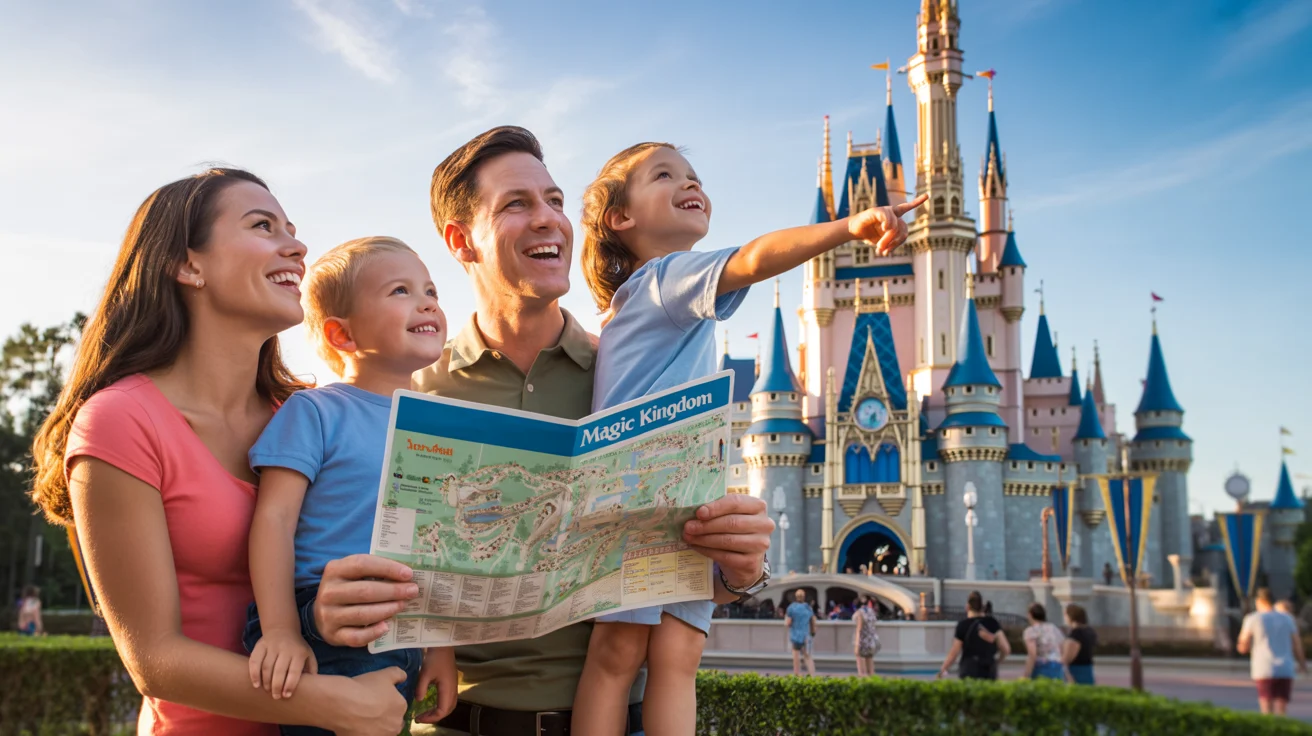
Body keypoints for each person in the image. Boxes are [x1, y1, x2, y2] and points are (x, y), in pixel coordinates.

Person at [366, 126, 768, 735]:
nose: (548, 219)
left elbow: (677, 566)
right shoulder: (415, 394)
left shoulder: (634, 382)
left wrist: (742, 571)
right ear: (460, 240)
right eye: (516, 204)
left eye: (554, 201)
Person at [29, 169, 408, 736]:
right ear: (188, 265)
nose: (298, 246)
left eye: (293, 230)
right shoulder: (120, 421)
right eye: (263, 226)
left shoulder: (309, 415)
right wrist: (330, 703)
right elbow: (154, 660)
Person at [569, 140, 922, 736]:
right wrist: (845, 228)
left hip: (681, 497)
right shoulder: (664, 278)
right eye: (665, 175)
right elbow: (755, 258)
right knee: (646, 660)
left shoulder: (640, 305)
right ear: (620, 219)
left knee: (635, 659)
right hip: (653, 496)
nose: (690, 183)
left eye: (694, 175)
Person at [242, 237, 458, 731]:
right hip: (325, 620)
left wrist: (440, 649)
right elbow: (273, 519)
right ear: (342, 335)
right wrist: (279, 630)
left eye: (430, 290)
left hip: (405, 622)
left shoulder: (440, 425)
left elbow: (444, 545)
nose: (427, 302)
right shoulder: (315, 410)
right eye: (400, 291)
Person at [1239, 588, 1308, 715]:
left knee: (1266, 709)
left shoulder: (1253, 619)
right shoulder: (1288, 618)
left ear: (1259, 601)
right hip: (1285, 667)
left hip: (1264, 668)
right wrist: (1302, 664)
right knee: (1282, 709)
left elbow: (1243, 646)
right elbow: (1297, 644)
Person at [937, 591, 1008, 680]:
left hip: (969, 669)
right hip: (989, 668)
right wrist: (998, 661)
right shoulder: (992, 623)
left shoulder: (963, 625)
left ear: (967, 607)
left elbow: (954, 652)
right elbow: (1006, 648)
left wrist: (943, 670)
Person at [1022, 603, 1065, 681]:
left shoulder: (1031, 631)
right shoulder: (1053, 628)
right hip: (1057, 665)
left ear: (1030, 615)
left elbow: (1032, 654)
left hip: (1041, 666)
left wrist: (1026, 674)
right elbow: (1062, 647)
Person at [1061, 604, 1097, 685]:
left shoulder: (1075, 634)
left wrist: (1069, 678)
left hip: (1076, 671)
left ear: (1070, 616)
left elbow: (1065, 660)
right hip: (1088, 670)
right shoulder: (1090, 632)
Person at [785, 590, 816, 677]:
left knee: (796, 656)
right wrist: (813, 632)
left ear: (796, 597)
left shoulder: (791, 608)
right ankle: (812, 675)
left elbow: (788, 623)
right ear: (804, 597)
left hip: (795, 635)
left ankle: (797, 674)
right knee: (808, 656)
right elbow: (812, 621)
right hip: (806, 635)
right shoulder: (808, 608)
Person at [853, 597, 879, 677]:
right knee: (869, 658)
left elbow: (859, 629)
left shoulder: (860, 613)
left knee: (860, 658)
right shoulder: (871, 611)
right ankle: (872, 678)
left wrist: (857, 643)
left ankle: (862, 677)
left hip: (863, 639)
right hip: (871, 639)